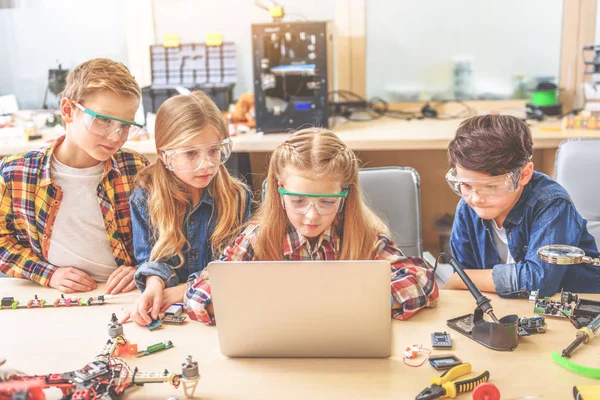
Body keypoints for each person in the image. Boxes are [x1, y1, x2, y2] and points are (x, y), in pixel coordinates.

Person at [184, 128, 439, 324]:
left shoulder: (363, 236)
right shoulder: (257, 238)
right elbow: (198, 294)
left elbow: (422, 280)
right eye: (298, 201)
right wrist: (276, 306)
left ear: (345, 195)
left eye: (327, 202)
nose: (311, 216)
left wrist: (340, 305)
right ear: (279, 192)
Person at [0, 58, 148, 294]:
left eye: (126, 125)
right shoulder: (15, 174)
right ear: (68, 110)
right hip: (54, 296)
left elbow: (164, 234)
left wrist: (143, 268)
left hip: (125, 296)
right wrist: (47, 273)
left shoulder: (137, 168)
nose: (115, 136)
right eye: (103, 120)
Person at [127, 91, 251, 326]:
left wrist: (185, 289)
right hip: (167, 312)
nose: (206, 165)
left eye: (214, 151)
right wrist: (154, 284)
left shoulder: (238, 198)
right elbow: (149, 259)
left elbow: (238, 271)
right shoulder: (145, 198)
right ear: (165, 156)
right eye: (191, 153)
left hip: (216, 314)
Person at [445, 114, 600, 297]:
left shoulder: (552, 203)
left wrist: (459, 279)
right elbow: (465, 275)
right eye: (466, 185)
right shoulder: (467, 208)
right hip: (504, 307)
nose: (476, 198)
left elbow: (539, 282)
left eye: (491, 187)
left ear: (524, 174)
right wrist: (465, 279)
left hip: (571, 307)